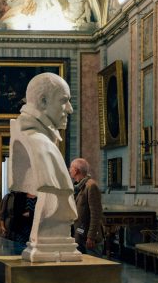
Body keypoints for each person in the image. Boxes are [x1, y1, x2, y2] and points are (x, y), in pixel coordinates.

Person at [9, 73, 81, 262]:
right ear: (43, 101)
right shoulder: (41, 145)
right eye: (64, 101)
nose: (70, 109)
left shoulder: (44, 142)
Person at [69, 158, 103, 254]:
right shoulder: (77, 186)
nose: (69, 170)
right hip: (79, 235)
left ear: (76, 170)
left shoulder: (91, 186)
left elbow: (96, 214)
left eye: (71, 168)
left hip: (90, 239)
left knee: (93, 268)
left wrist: (91, 236)